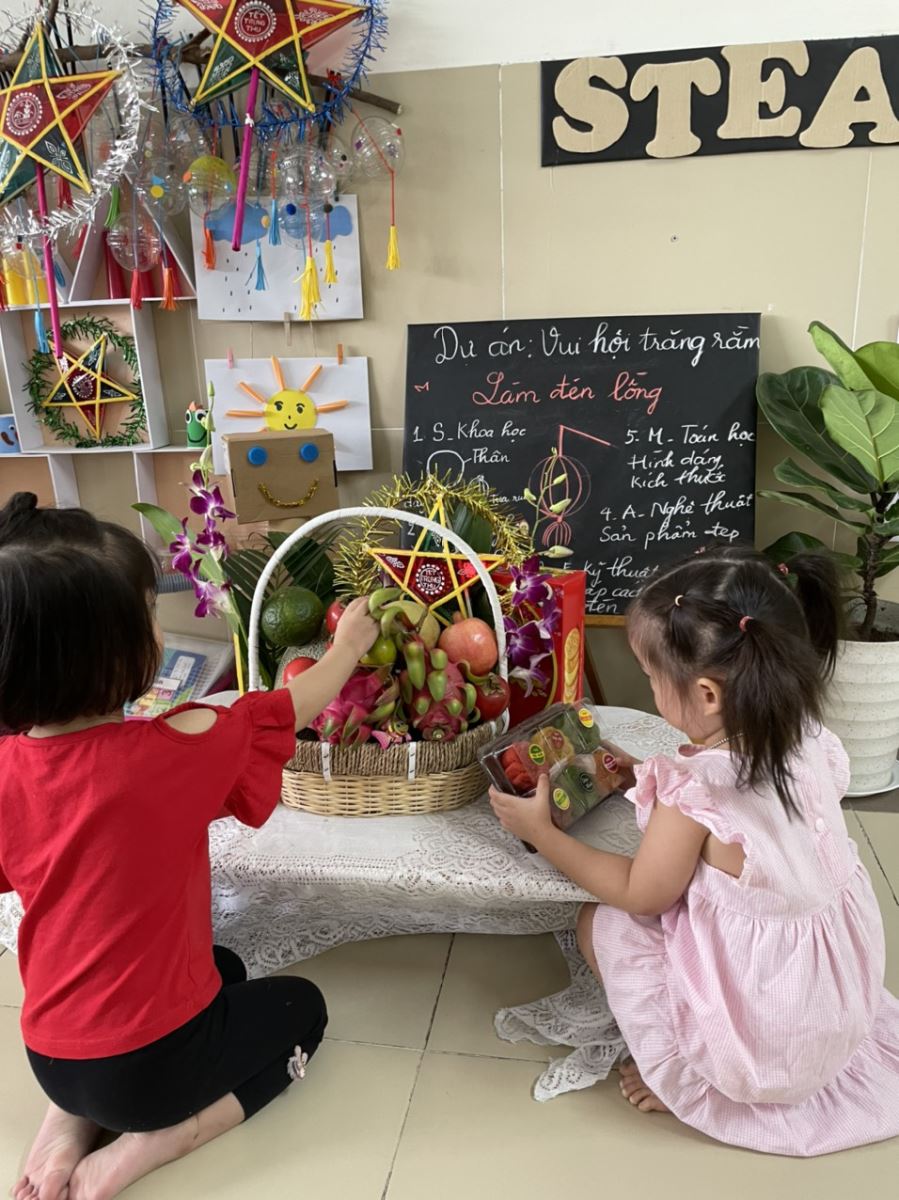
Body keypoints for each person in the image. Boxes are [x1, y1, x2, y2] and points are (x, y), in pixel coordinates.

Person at [0, 493, 378, 1200]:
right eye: (149, 612)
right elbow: (290, 709)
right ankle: (141, 1150)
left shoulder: (5, 770)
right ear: (115, 650)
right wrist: (347, 648)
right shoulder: (174, 748)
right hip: (153, 1074)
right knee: (303, 1009)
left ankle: (65, 1129)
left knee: (224, 964)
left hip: (49, 1054)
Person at [491, 545, 899, 1157]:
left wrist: (544, 833)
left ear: (707, 695)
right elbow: (748, 815)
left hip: (761, 1038)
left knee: (599, 923)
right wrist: (640, 776)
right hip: (830, 998)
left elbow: (641, 894)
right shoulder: (808, 740)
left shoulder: (695, 790)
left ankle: (694, 1075)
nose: (651, 688)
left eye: (652, 678)